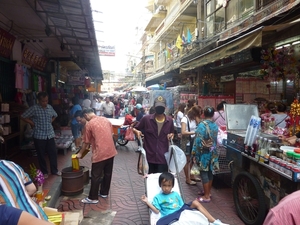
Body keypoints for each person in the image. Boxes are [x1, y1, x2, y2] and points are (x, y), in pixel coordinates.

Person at [141, 172, 228, 225]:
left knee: (196, 202)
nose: (166, 188)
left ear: (172, 186)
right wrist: (147, 201)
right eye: (164, 185)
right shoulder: (158, 197)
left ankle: (214, 221)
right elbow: (156, 211)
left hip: (180, 211)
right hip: (170, 215)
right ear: (160, 185)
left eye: (169, 186)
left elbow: (182, 205)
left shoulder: (175, 194)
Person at [76, 108, 117, 204]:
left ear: (86, 115)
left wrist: (80, 153)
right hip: (111, 151)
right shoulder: (105, 119)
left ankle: (92, 198)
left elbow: (86, 142)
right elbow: (111, 134)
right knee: (107, 173)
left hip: (100, 153)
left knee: (95, 175)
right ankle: (104, 192)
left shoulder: (89, 124)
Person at [21, 92, 61, 178]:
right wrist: (32, 123)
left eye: (46, 101)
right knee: (41, 154)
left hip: (50, 134)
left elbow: (55, 115)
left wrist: (51, 121)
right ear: (39, 101)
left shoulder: (50, 107)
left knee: (53, 153)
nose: (45, 103)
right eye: (43, 101)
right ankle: (44, 172)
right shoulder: (34, 108)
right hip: (39, 135)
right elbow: (23, 116)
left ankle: (54, 170)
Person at [133, 96, 174, 173]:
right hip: (149, 157)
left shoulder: (170, 121)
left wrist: (172, 135)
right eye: (158, 106)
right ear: (154, 106)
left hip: (163, 158)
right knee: (149, 182)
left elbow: (172, 132)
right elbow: (135, 128)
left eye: (162, 106)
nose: (160, 108)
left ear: (165, 107)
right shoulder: (146, 119)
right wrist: (137, 132)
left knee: (161, 182)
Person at [192, 106, 219, 203]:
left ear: (203, 114)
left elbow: (198, 141)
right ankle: (208, 191)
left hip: (203, 154)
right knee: (210, 172)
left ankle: (206, 196)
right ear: (212, 115)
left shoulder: (201, 125)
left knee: (204, 173)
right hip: (212, 152)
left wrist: (194, 153)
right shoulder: (215, 125)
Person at [181, 105, 202, 185]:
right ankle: (187, 178)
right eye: (198, 114)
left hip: (193, 141)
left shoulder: (193, 119)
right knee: (187, 160)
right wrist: (194, 132)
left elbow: (199, 125)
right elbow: (183, 132)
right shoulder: (185, 119)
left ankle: (192, 175)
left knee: (192, 159)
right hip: (187, 143)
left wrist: (197, 120)